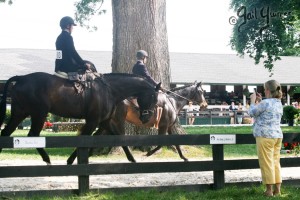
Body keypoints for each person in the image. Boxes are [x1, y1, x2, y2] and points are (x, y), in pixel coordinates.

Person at [249, 80, 283, 197]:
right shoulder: (278, 102)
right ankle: (277, 190)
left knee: (266, 163)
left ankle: (268, 190)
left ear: (267, 90)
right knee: (275, 162)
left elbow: (252, 113)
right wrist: (260, 101)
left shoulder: (265, 103)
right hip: (277, 136)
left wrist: (253, 101)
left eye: (264, 89)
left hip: (264, 136)